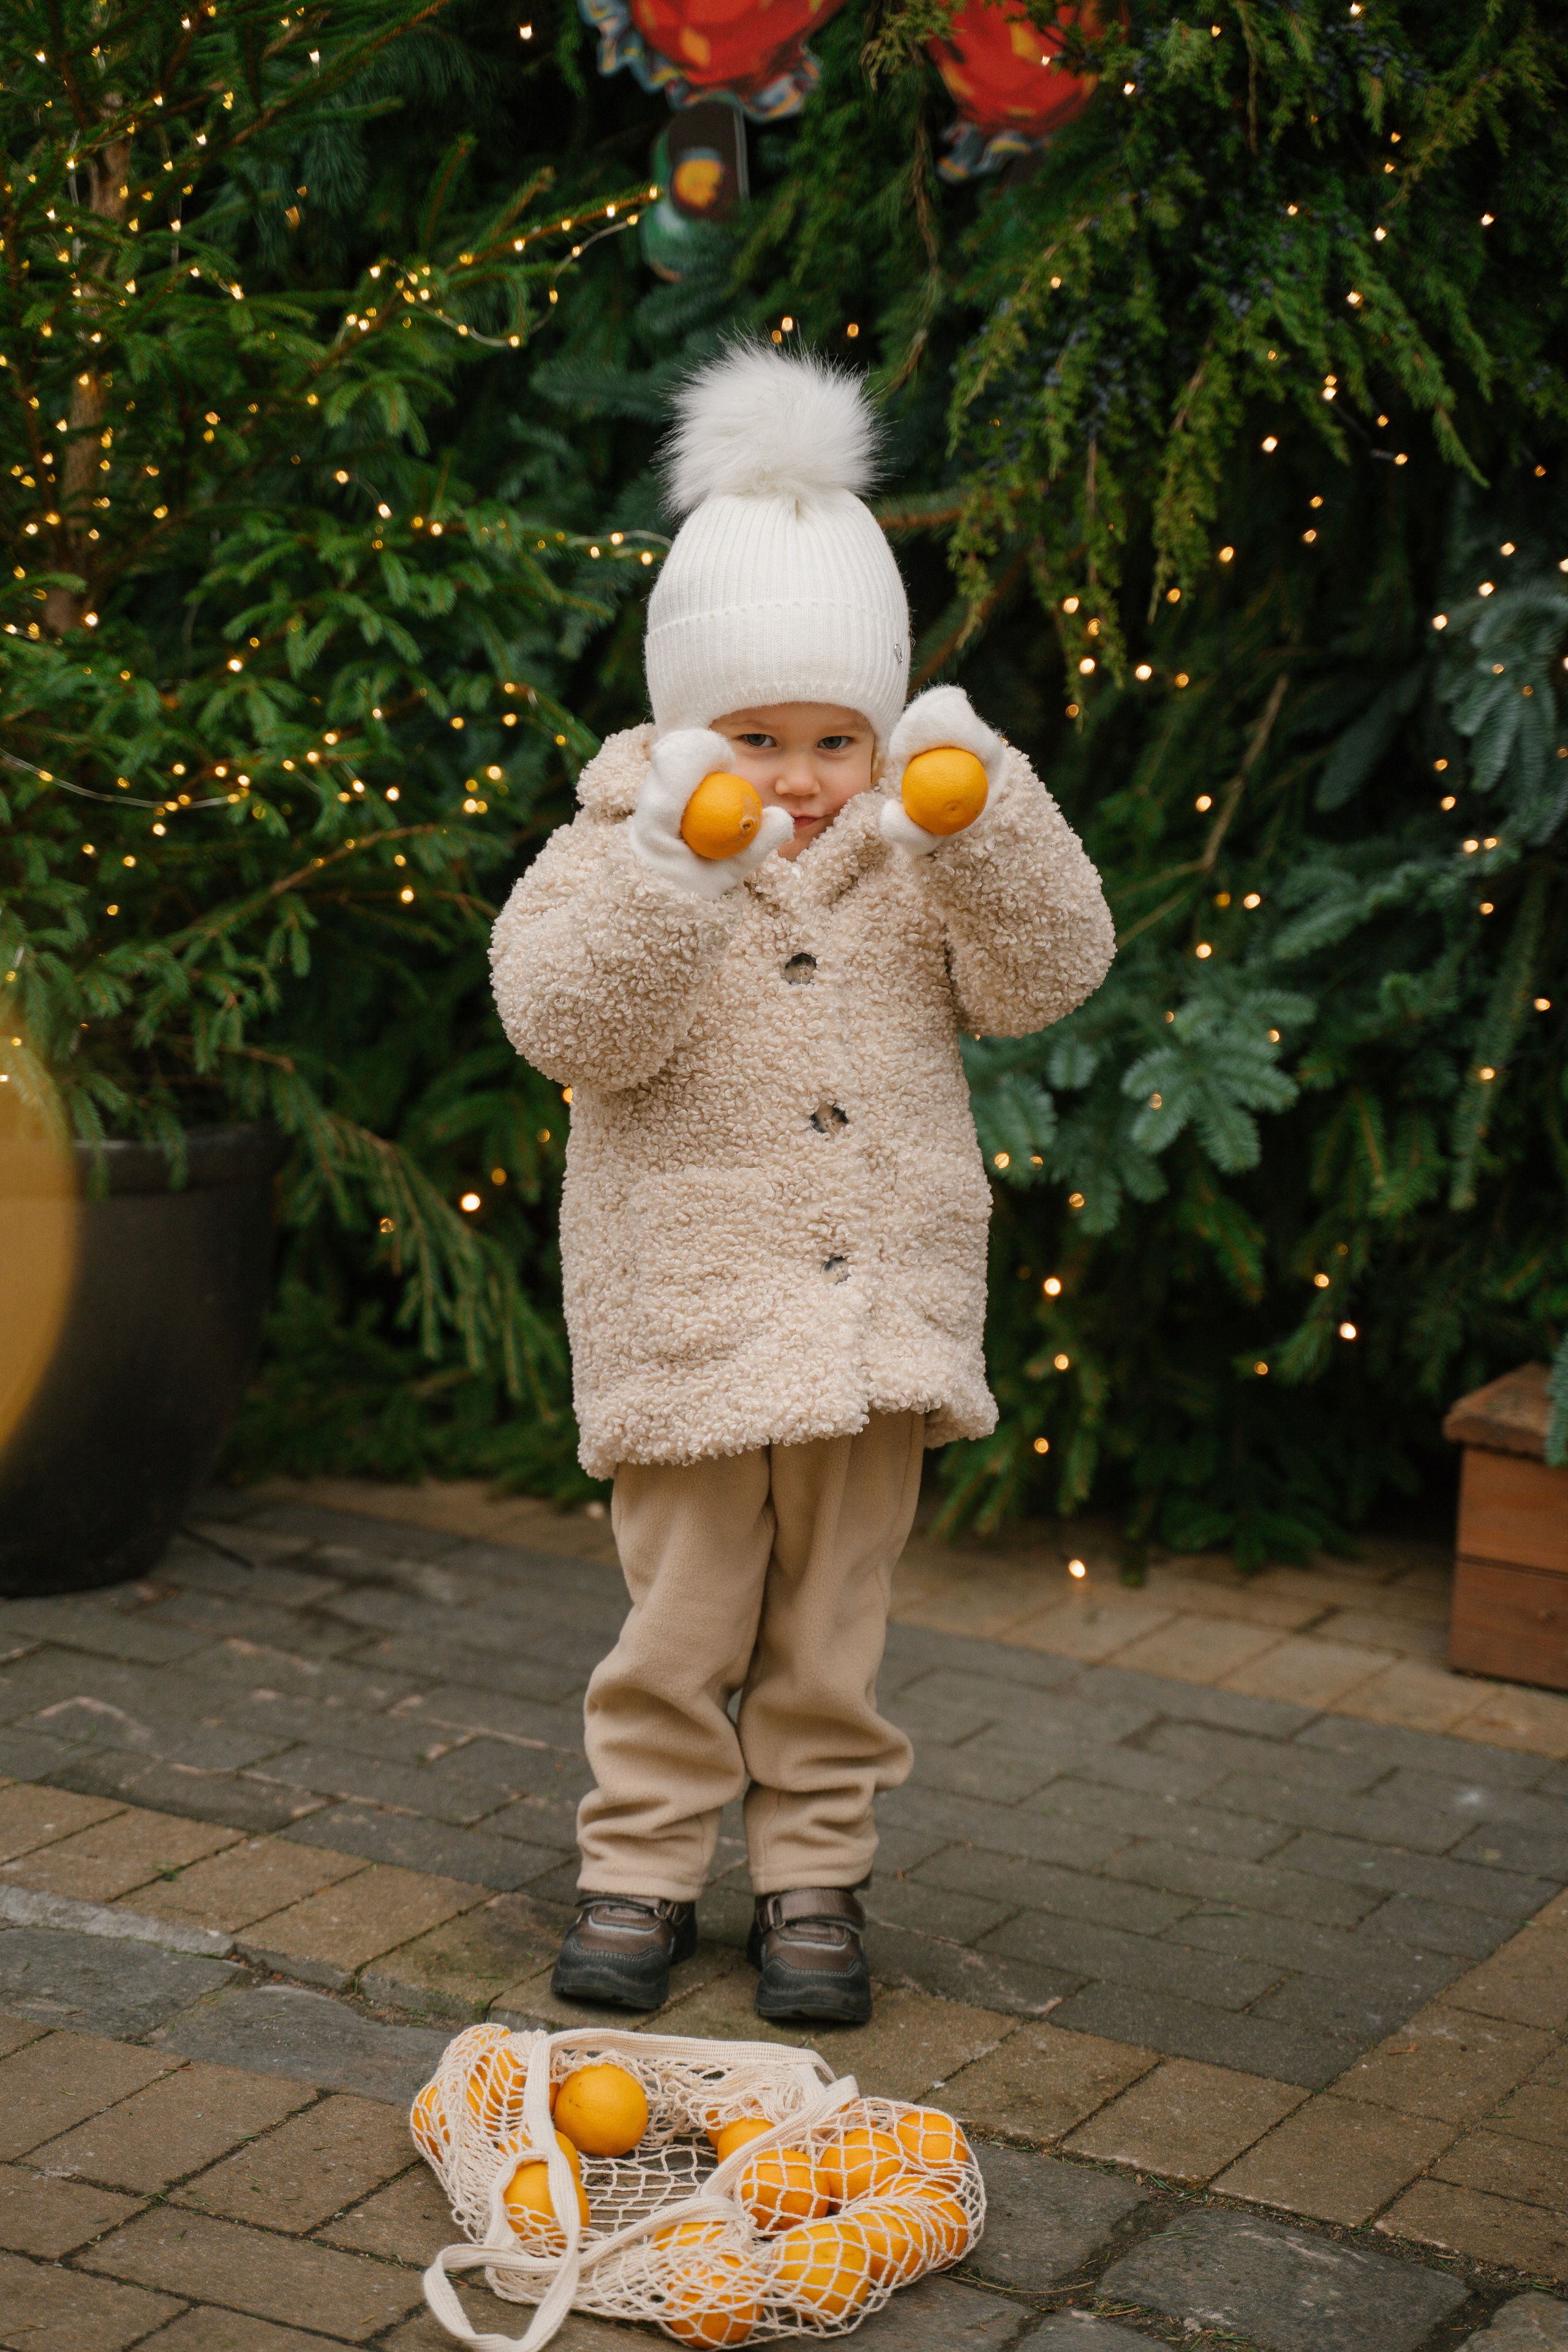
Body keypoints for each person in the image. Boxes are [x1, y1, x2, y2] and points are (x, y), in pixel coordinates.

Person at [489, 344, 1114, 2024]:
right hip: (690, 1315)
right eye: (753, 736)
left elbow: (1053, 969)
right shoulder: (616, 855)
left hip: (873, 1322)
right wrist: (671, 876)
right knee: (682, 1623)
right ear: (686, 731)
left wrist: (984, 821)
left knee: (832, 1628)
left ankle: (812, 1874)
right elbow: (566, 1023)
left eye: (835, 734)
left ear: (884, 724)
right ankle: (637, 1870)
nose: (798, 775)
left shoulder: (918, 863)